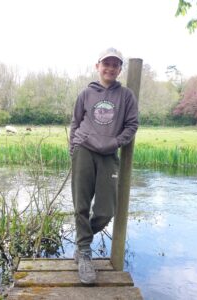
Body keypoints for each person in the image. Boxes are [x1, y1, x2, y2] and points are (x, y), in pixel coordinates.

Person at [69, 47, 139, 284]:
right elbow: (75, 122)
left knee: (106, 211)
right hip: (84, 151)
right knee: (81, 205)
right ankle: (85, 256)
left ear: (120, 69)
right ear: (97, 66)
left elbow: (132, 124)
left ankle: (81, 243)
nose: (110, 68)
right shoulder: (86, 93)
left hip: (109, 155)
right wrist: (73, 149)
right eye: (106, 64)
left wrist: (116, 142)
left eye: (115, 65)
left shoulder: (126, 95)